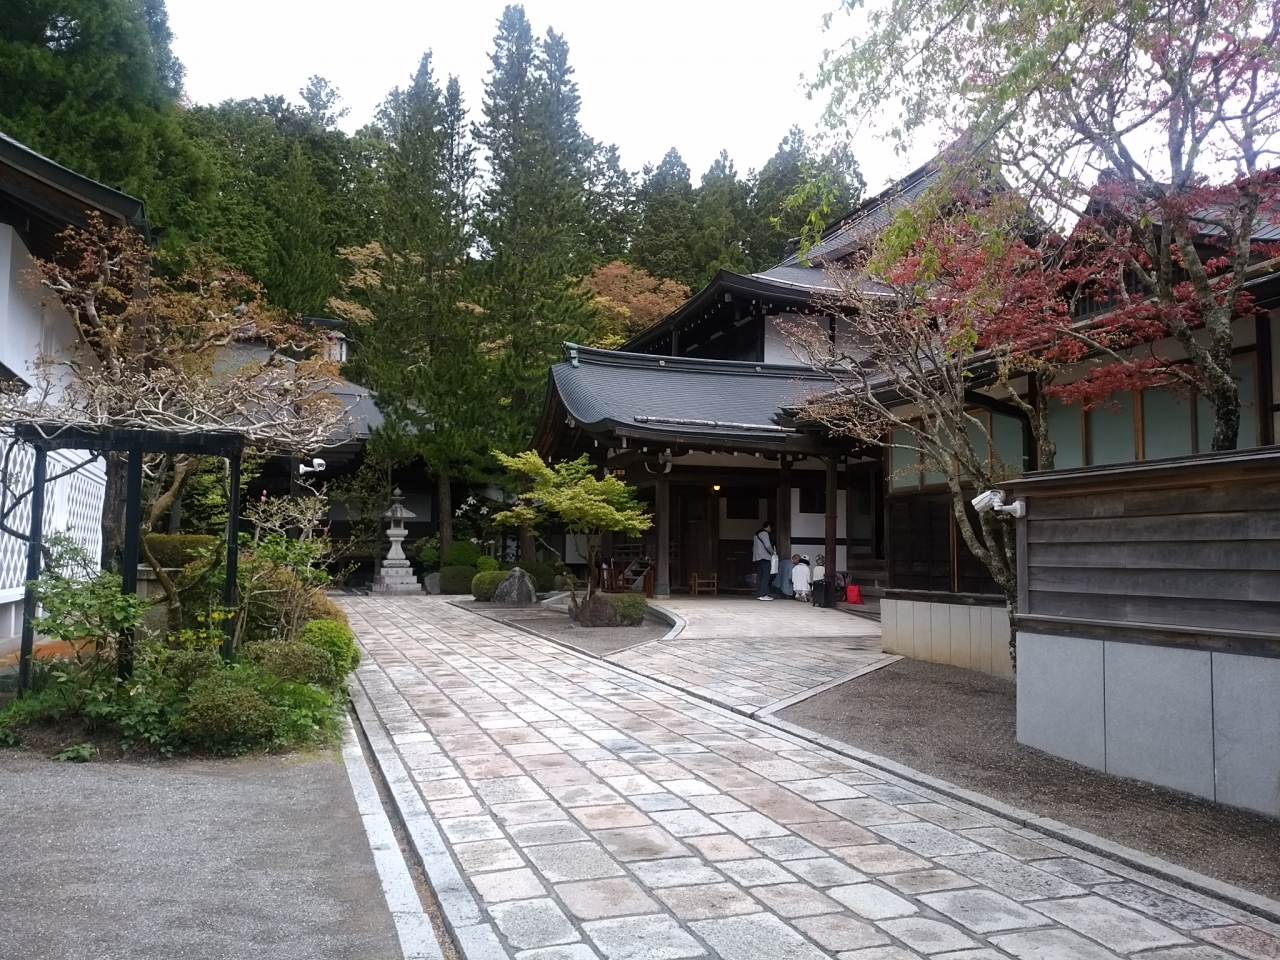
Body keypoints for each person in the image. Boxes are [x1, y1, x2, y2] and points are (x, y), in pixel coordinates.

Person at [752, 522, 776, 601]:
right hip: (764, 557)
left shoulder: (756, 535)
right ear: (768, 526)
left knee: (759, 576)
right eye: (770, 528)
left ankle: (759, 594)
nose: (770, 530)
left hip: (757, 557)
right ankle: (763, 594)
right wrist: (773, 552)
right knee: (766, 576)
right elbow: (768, 545)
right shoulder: (764, 534)